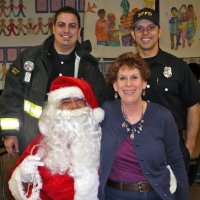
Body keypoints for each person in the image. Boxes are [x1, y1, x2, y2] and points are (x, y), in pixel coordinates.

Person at [0, 6, 107, 155]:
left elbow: (102, 102)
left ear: (79, 31)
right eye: (61, 25)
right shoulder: (29, 58)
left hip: (75, 148)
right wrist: (10, 133)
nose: (66, 31)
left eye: (72, 26)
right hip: (33, 141)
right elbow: (12, 96)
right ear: (53, 28)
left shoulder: (89, 66)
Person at [98, 52, 188, 200]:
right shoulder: (105, 113)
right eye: (122, 78)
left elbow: (176, 161)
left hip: (155, 195)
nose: (128, 84)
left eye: (134, 77)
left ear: (144, 82)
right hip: (112, 195)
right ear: (115, 85)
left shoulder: (163, 116)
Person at [8, 76, 104, 200]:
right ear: (54, 110)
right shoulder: (41, 144)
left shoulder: (99, 139)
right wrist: (26, 175)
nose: (74, 106)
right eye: (66, 102)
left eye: (79, 100)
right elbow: (21, 189)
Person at [131, 7, 200, 172]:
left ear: (160, 31)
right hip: (133, 151)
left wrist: (188, 146)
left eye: (151, 27)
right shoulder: (125, 68)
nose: (145, 32)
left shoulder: (178, 67)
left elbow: (194, 105)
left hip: (171, 152)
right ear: (133, 34)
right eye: (139, 28)